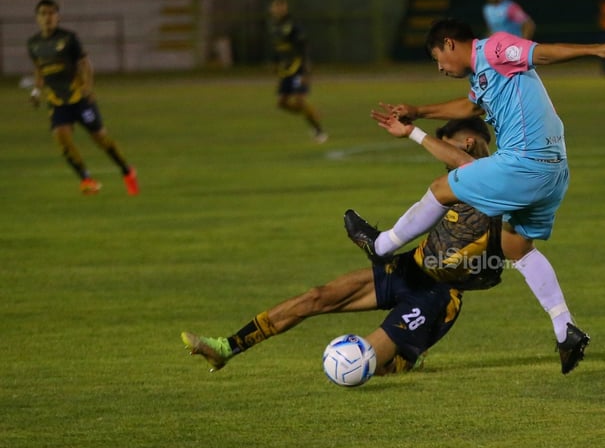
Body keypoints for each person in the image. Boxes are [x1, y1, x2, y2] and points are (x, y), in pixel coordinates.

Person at [345, 18, 605, 374]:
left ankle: (381, 246)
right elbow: (472, 108)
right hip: (555, 170)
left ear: (449, 44)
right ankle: (565, 329)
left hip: (526, 160)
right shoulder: (482, 76)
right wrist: (419, 111)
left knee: (441, 189)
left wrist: (594, 50)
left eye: (438, 59)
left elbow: (541, 54)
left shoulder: (494, 49)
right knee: (516, 248)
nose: (440, 68)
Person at [182, 117, 504, 376]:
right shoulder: (459, 179)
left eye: (446, 146)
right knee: (317, 297)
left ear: (468, 143)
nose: (442, 157)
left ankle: (406, 358)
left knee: (364, 365)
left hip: (437, 295)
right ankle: (227, 347)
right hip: (410, 268)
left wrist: (414, 132)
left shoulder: (499, 179)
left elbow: (467, 168)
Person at [26, 0, 139, 195]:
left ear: (58, 17)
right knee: (62, 139)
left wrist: (87, 86)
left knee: (100, 139)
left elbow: (85, 63)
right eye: (43, 13)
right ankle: (87, 180)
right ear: (37, 18)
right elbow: (39, 69)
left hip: (78, 98)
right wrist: (36, 91)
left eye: (51, 13)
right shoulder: (33, 44)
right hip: (57, 101)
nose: (48, 17)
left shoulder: (69, 39)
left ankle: (127, 171)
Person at [267, 0, 328, 143]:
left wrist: (306, 70)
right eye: (276, 6)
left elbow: (304, 47)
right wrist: (275, 64)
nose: (279, 9)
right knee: (282, 103)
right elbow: (277, 49)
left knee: (300, 100)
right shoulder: (274, 26)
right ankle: (312, 113)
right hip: (285, 69)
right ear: (271, 9)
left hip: (298, 68)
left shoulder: (293, 26)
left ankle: (319, 130)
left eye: (282, 5)